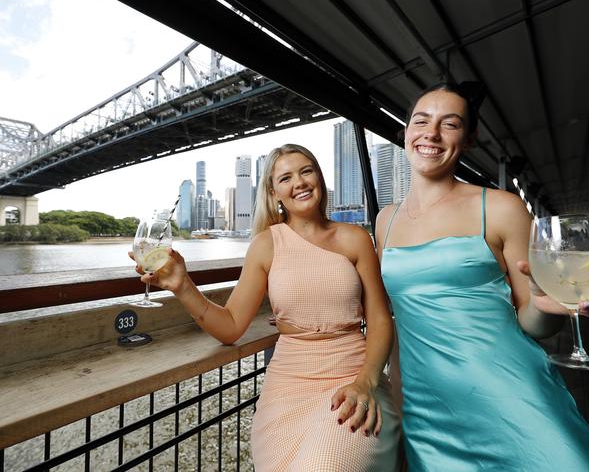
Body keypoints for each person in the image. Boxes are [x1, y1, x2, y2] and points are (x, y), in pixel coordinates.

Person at [375, 82, 589, 471]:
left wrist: (544, 304)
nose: (431, 133)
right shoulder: (386, 220)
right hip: (429, 411)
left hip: (509, 392)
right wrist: (401, 403)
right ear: (406, 133)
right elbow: (401, 320)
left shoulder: (502, 208)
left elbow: (534, 324)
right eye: (421, 120)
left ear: (468, 140)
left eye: (449, 125)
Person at [134, 144, 400, 471]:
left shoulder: (355, 238)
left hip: (352, 378)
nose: (299, 182)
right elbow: (231, 326)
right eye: (286, 178)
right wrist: (182, 285)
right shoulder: (265, 245)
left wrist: (366, 382)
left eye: (306, 171)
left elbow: (379, 318)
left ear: (319, 177)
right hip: (286, 389)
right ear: (274, 192)